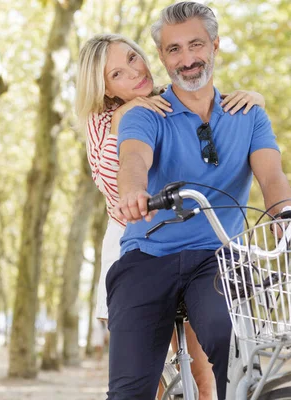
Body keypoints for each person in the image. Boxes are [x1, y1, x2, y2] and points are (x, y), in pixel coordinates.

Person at [110, 2, 291, 400]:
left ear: (214, 45)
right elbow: (134, 159)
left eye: (196, 45)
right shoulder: (147, 113)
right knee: (129, 390)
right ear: (162, 57)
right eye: (174, 49)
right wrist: (132, 191)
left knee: (231, 346)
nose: (188, 59)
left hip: (219, 256)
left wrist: (284, 213)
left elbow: (271, 174)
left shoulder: (248, 115)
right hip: (148, 253)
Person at [75, 33, 266, 400]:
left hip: (192, 239)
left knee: (205, 370)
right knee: (148, 372)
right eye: (118, 73)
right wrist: (127, 114)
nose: (134, 72)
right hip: (132, 243)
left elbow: (214, 109)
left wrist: (255, 100)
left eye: (133, 58)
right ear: (106, 88)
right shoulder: (102, 124)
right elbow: (114, 182)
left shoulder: (171, 99)